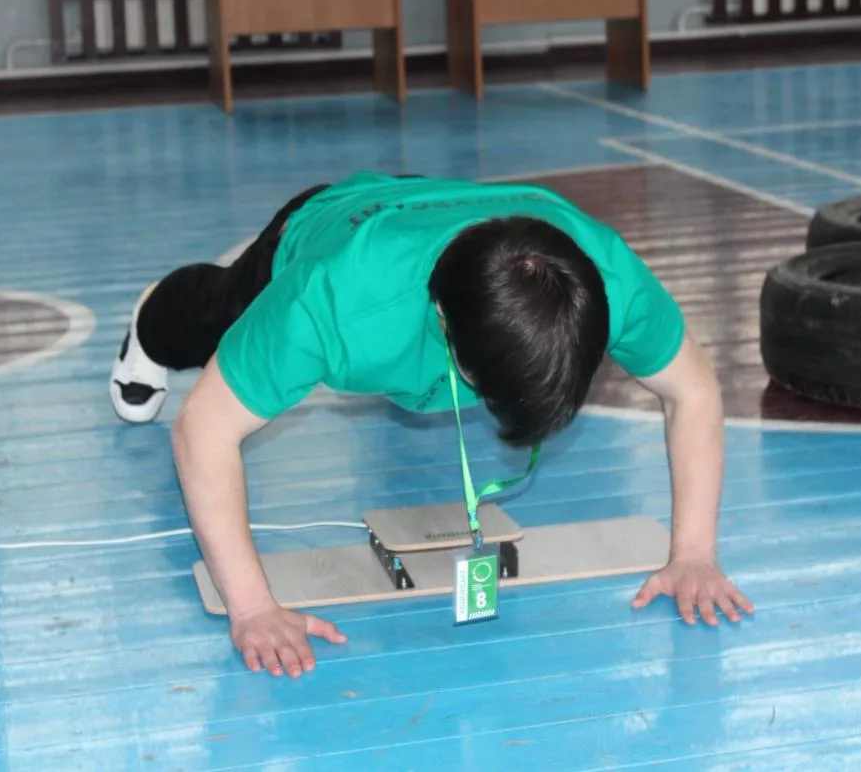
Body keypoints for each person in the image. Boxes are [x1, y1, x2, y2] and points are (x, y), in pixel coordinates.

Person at [110, 171, 753, 678]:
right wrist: (252, 606)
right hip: (332, 228)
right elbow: (203, 431)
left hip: (456, 224)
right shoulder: (331, 300)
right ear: (444, 326)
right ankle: (150, 319)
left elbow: (693, 391)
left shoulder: (607, 281)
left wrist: (694, 555)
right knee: (214, 317)